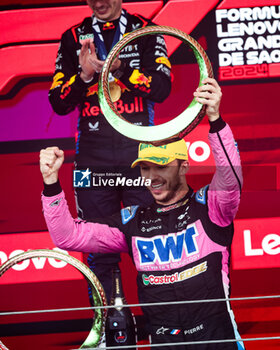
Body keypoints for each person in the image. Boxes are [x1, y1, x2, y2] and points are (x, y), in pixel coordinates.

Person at [41, 78, 244, 349]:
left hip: (217, 342)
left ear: (183, 166)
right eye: (145, 168)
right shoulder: (133, 221)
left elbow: (230, 177)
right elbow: (68, 236)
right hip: (163, 343)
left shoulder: (210, 207)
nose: (152, 177)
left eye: (161, 166)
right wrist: (51, 183)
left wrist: (215, 120)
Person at [48, 0, 172, 301]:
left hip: (141, 159)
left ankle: (164, 326)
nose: (98, 2)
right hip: (93, 161)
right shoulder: (72, 37)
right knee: (97, 250)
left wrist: (121, 69)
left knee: (153, 243)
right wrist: (85, 76)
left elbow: (162, 88)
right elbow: (58, 102)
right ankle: (106, 328)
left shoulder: (146, 31)